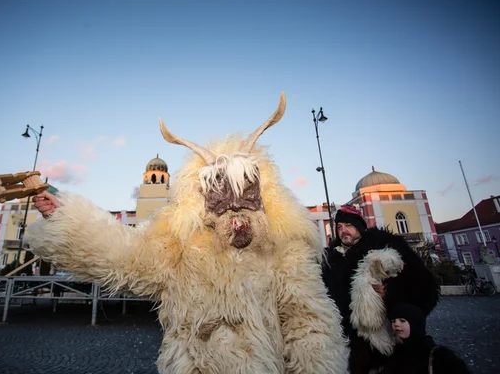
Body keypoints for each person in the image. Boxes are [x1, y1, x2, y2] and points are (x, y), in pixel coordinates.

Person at [25, 93, 349, 373]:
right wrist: (65, 215)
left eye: (246, 195)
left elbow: (308, 323)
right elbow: (126, 256)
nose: (235, 212)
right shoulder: (181, 245)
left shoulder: (282, 246)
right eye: (220, 196)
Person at [321, 205, 440, 373]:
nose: (343, 231)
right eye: (339, 227)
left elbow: (423, 285)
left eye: (348, 225)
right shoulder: (331, 258)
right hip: (344, 341)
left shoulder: (385, 247)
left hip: (380, 339)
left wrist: (391, 292)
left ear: (360, 227)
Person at [382, 303, 471, 374]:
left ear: (415, 323)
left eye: (402, 320)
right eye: (393, 321)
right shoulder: (396, 354)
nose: (396, 324)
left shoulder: (439, 356)